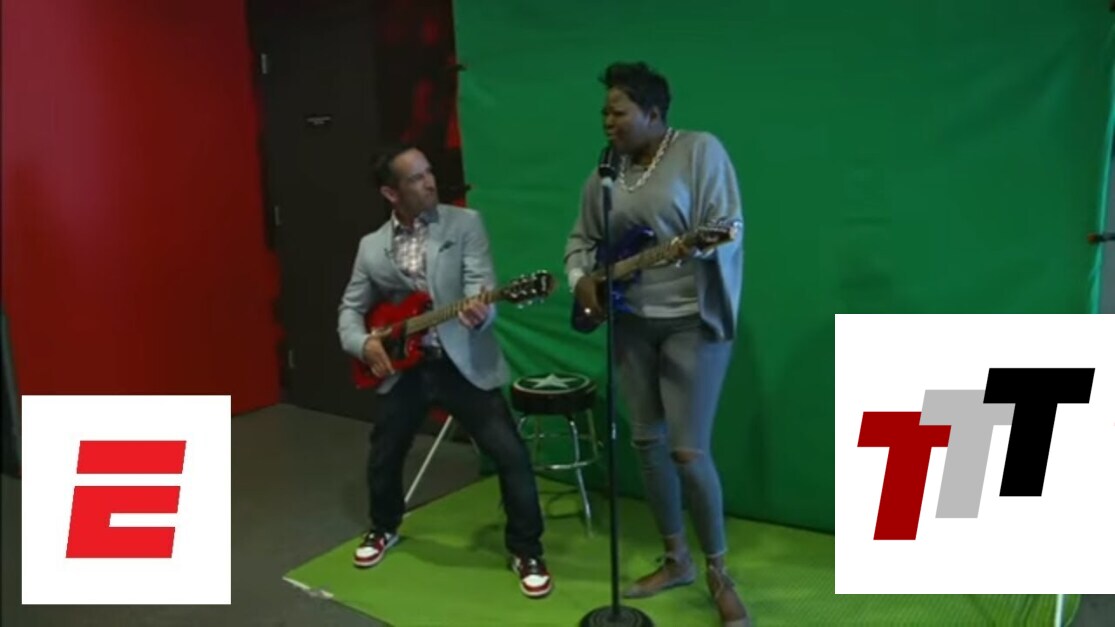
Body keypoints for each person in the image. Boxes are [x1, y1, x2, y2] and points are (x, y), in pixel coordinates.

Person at [563, 62, 748, 626]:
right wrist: (583, 281)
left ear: (653, 112)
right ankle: (676, 560)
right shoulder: (606, 173)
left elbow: (728, 226)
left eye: (617, 111)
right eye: (604, 112)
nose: (607, 121)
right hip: (631, 324)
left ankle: (719, 571)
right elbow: (580, 241)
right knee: (647, 441)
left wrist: (698, 246)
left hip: (691, 322)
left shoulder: (699, 151)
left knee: (688, 452)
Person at [337, 144, 553, 599]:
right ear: (391, 193)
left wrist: (482, 312)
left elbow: (480, 285)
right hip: (406, 369)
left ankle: (527, 549)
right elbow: (349, 310)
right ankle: (383, 526)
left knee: (510, 454)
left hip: (462, 363)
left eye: (429, 172)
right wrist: (365, 343)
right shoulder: (371, 247)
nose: (430, 182)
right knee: (384, 453)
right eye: (416, 178)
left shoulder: (465, 224)